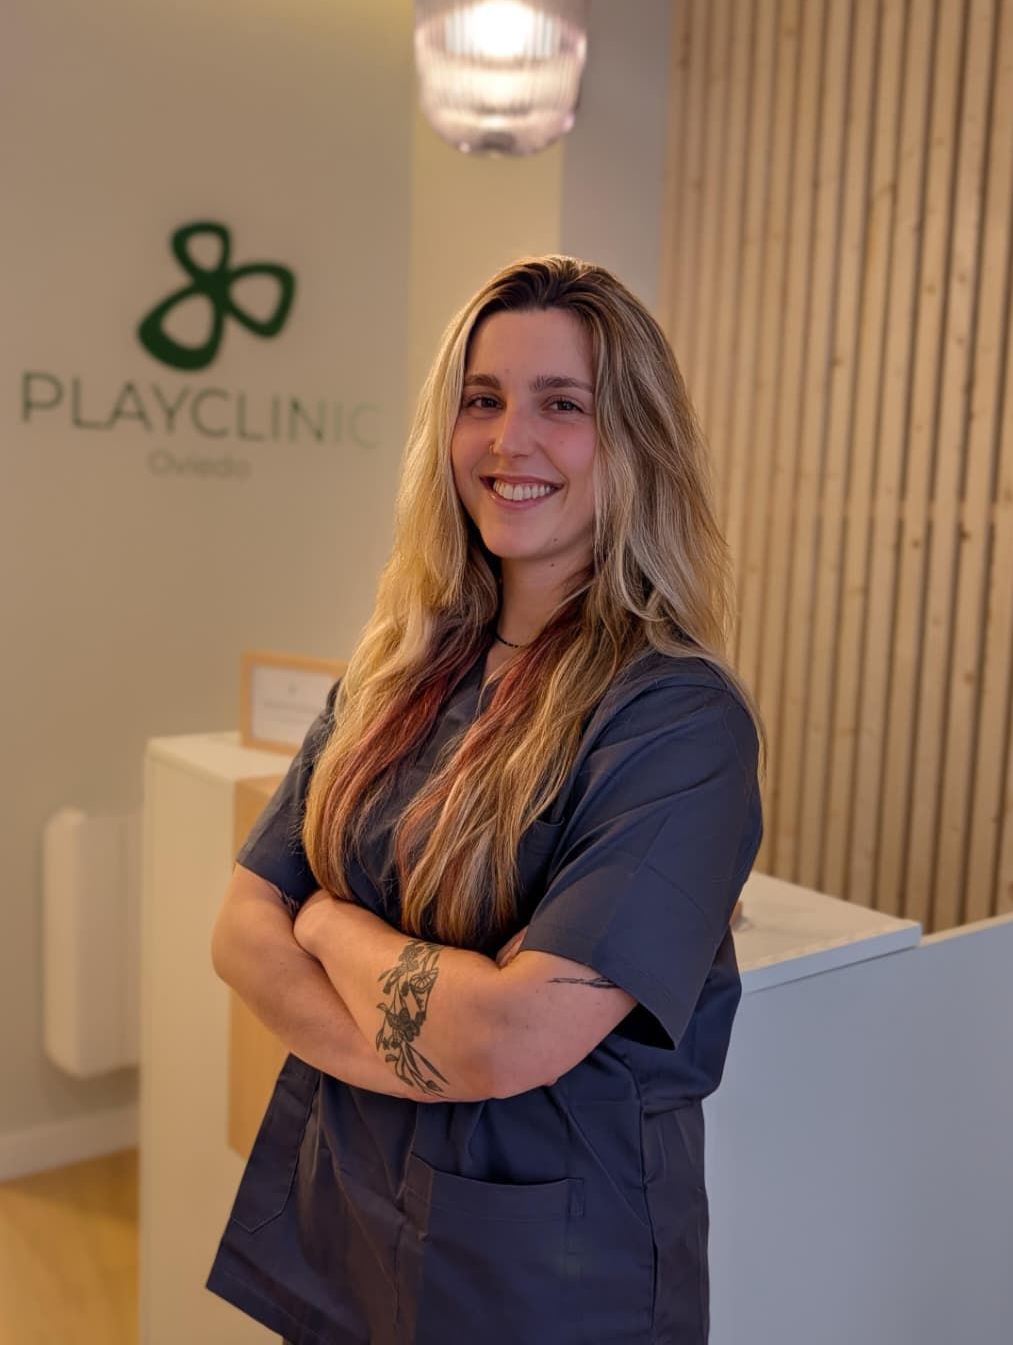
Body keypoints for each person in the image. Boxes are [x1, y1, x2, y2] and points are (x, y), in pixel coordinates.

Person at [206, 255, 766, 1345]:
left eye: (563, 404)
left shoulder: (678, 718)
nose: (511, 440)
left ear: (636, 442)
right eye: (483, 399)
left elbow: (514, 1036)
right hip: (345, 1206)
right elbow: (239, 932)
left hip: (542, 1268)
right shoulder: (395, 670)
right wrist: (423, 1052)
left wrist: (327, 923)